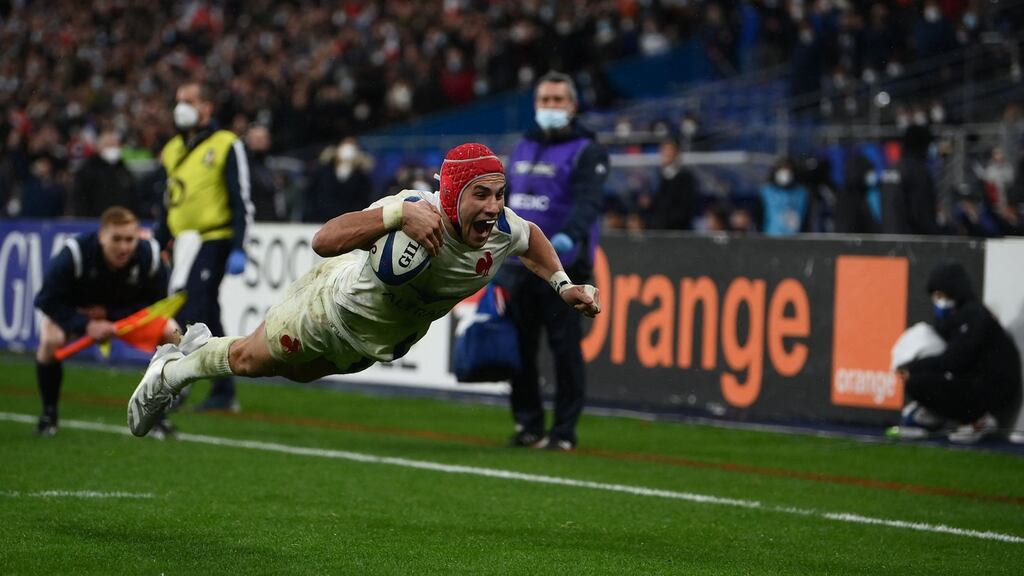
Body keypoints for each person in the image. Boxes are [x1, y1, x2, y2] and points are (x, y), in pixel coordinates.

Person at [127, 143, 601, 439]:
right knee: (254, 359)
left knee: (293, 374)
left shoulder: (503, 228)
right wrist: (394, 218)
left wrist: (563, 286)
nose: (494, 207)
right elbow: (323, 241)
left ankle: (192, 352)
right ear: (453, 194)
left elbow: (533, 238)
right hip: (329, 308)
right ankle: (174, 371)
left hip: (375, 340)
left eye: (499, 194)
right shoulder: (410, 209)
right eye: (481, 194)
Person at [499, 71, 608, 451]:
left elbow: (589, 204)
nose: (550, 107)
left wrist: (568, 238)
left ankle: (564, 431)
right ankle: (529, 425)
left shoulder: (587, 150)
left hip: (566, 266)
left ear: (572, 106)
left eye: (557, 100)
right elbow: (504, 200)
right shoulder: (523, 146)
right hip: (517, 264)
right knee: (520, 350)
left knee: (565, 351)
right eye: (544, 100)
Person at [34, 207, 178, 437]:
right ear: (101, 237)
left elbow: (158, 305)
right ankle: (48, 415)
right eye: (116, 239)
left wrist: (113, 315)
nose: (123, 247)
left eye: (129, 239)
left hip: (126, 318)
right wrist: (85, 323)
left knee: (173, 332)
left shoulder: (149, 256)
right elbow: (46, 300)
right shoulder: (75, 254)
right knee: (50, 340)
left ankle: (158, 415)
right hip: (80, 314)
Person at [154, 81, 254, 412]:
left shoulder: (225, 144)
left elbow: (240, 199)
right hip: (183, 243)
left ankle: (182, 381)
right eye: (179, 99)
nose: (180, 106)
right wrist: (160, 240)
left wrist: (239, 245)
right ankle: (222, 389)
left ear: (207, 108)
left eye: (189, 100)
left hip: (214, 238)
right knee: (206, 313)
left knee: (193, 308)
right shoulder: (171, 150)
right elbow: (169, 202)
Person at [897, 262, 1022, 444]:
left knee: (918, 381)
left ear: (953, 291)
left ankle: (978, 421)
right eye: (935, 296)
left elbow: (955, 360)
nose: (938, 300)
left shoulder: (975, 316)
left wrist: (914, 367)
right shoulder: (955, 318)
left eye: (941, 295)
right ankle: (937, 415)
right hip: (980, 379)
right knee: (921, 379)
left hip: (995, 386)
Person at [302, 137, 374, 223]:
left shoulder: (361, 177)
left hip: (348, 222)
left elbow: (364, 200)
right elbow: (311, 194)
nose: (348, 151)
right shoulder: (324, 171)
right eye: (345, 146)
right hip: (321, 219)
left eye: (352, 147)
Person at [71, 130, 137, 217]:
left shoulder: (124, 169)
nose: (112, 148)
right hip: (94, 221)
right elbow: (79, 199)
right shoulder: (87, 170)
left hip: (120, 220)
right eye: (108, 145)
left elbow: (133, 196)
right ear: (98, 147)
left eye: (114, 145)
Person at [647, 136, 700, 230]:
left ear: (677, 153)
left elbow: (686, 208)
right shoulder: (658, 177)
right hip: (659, 230)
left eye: (669, 150)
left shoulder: (686, 177)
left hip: (678, 229)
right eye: (663, 150)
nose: (665, 153)